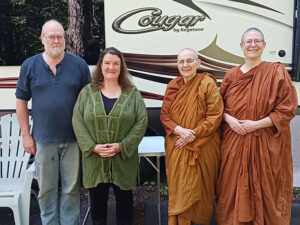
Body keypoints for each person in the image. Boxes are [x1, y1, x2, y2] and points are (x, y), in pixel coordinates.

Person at [215, 28, 298, 225]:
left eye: (257, 41)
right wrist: (229, 119)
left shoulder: (277, 73)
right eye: (249, 41)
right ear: (242, 47)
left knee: (267, 191)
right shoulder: (231, 75)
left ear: (264, 45)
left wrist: (257, 125)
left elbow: (287, 110)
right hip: (235, 143)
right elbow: (217, 107)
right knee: (231, 188)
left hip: (266, 145)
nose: (253, 45)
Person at [15, 20, 90, 225]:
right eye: (52, 37)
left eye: (60, 36)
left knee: (71, 190)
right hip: (43, 140)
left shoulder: (79, 65)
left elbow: (90, 102)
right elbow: (21, 101)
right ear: (42, 39)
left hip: (74, 139)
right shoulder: (29, 65)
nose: (56, 40)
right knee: (46, 190)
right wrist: (25, 135)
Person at [72, 47, 148, 225]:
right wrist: (92, 147)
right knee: (97, 211)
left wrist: (122, 146)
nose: (111, 67)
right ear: (101, 65)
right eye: (107, 63)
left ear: (121, 67)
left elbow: (141, 122)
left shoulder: (132, 93)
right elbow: (77, 121)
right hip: (95, 160)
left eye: (116, 63)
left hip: (123, 159)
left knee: (125, 208)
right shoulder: (87, 92)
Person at [161, 48, 224, 225]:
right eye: (181, 62)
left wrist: (193, 134)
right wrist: (181, 131)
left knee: (202, 193)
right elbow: (165, 116)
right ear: (177, 65)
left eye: (189, 60)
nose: (185, 65)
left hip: (203, 146)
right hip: (177, 145)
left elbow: (215, 116)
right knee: (179, 190)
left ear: (198, 63)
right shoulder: (173, 85)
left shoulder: (207, 83)